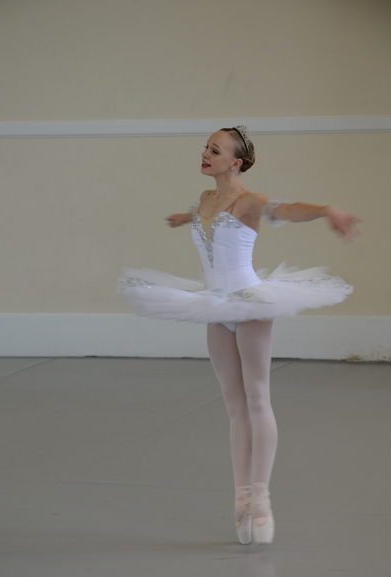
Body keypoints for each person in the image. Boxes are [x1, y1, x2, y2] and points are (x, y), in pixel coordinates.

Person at [118, 125, 360, 545]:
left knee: (257, 397)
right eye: (205, 147)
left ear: (236, 162)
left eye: (215, 150)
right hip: (215, 306)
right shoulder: (206, 198)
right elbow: (203, 218)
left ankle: (261, 498)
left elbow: (286, 209)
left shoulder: (248, 201)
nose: (205, 154)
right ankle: (241, 497)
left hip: (248, 304)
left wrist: (326, 210)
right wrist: (184, 218)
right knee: (234, 407)